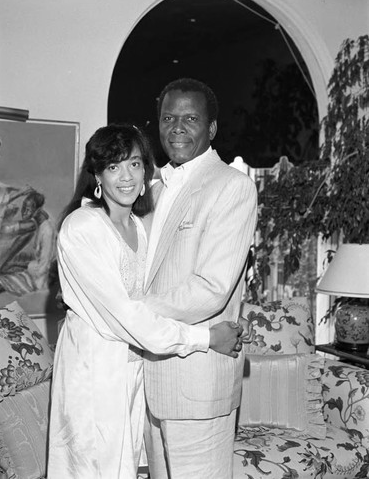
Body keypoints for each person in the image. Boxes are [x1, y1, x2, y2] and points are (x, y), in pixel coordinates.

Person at [47, 123, 243, 479]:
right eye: (113, 166)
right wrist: (207, 338)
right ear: (97, 175)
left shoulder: (139, 226)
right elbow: (127, 315)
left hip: (135, 369)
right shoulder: (83, 227)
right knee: (94, 468)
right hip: (95, 368)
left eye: (134, 165)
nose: (126, 177)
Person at [141, 78, 258, 479]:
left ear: (210, 129)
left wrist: (128, 312)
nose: (177, 127)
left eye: (190, 118)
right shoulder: (151, 189)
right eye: (168, 117)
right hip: (149, 378)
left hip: (198, 381)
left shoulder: (232, 187)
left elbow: (211, 290)